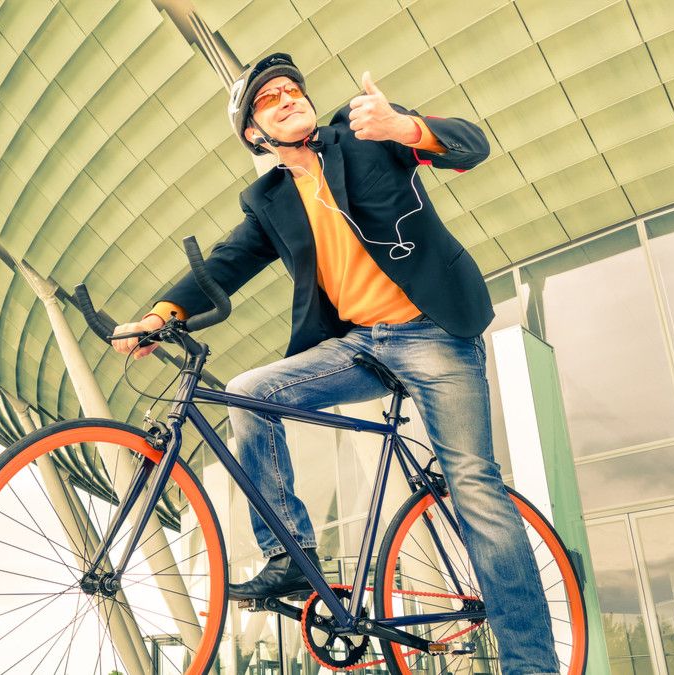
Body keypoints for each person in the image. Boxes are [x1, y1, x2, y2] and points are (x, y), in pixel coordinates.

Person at [111, 53, 559, 673]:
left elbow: (471, 145)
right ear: (254, 134)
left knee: (474, 487)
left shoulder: (365, 134)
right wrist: (161, 316)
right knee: (248, 392)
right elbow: (224, 264)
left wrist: (405, 128)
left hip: (434, 332)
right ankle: (290, 555)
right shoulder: (269, 198)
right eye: (269, 99)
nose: (288, 98)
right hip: (359, 345)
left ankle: (532, 664)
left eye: (293, 90)